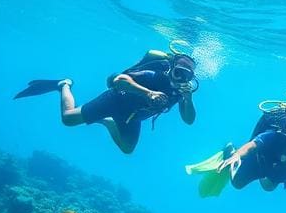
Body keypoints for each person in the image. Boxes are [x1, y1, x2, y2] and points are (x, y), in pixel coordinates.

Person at [14, 47, 198, 154]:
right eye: (178, 72)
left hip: (132, 118)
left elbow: (189, 121)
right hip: (115, 101)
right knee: (68, 119)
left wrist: (188, 99)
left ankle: (109, 123)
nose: (180, 78)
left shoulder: (182, 93)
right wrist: (148, 93)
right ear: (171, 68)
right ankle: (64, 84)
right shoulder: (153, 75)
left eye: (186, 76)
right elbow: (119, 80)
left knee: (127, 149)